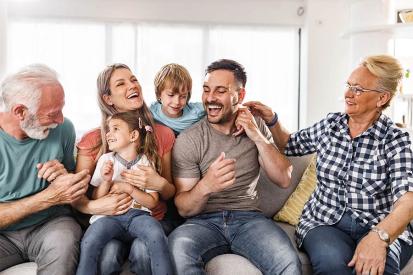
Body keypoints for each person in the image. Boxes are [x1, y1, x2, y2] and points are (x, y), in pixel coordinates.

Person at [244, 54, 413, 275]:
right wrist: (272, 119)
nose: (348, 94)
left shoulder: (395, 140)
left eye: (359, 89)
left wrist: (379, 237)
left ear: (382, 98)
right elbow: (290, 144)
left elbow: (407, 202)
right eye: (349, 85)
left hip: (378, 223)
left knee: (378, 269)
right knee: (332, 265)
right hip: (324, 222)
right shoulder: (330, 125)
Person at [169, 59, 302, 274]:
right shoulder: (190, 139)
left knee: (287, 262)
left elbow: (283, 178)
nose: (210, 98)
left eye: (220, 91)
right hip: (202, 222)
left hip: (249, 219)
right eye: (206, 90)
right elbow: (184, 208)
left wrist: (257, 136)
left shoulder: (255, 125)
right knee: (177, 251)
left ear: (239, 96)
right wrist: (206, 186)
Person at [74, 63, 176, 275]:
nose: (132, 85)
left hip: (149, 218)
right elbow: (78, 199)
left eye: (134, 79)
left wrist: (158, 183)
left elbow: (170, 194)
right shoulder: (94, 142)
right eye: (121, 83)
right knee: (108, 257)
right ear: (108, 98)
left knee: (142, 252)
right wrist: (99, 205)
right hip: (108, 218)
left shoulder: (162, 134)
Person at [0, 64, 90, 275]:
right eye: (52, 114)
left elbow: (74, 193)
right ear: (20, 111)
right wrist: (49, 196)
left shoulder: (64, 129)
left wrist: (65, 177)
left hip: (51, 224)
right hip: (3, 234)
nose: (60, 120)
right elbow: (54, 196)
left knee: (64, 243)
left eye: (61, 109)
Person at [150, 63, 205, 135]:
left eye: (183, 96)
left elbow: (212, 106)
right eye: (171, 95)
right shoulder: (152, 112)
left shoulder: (195, 112)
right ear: (159, 94)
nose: (177, 102)